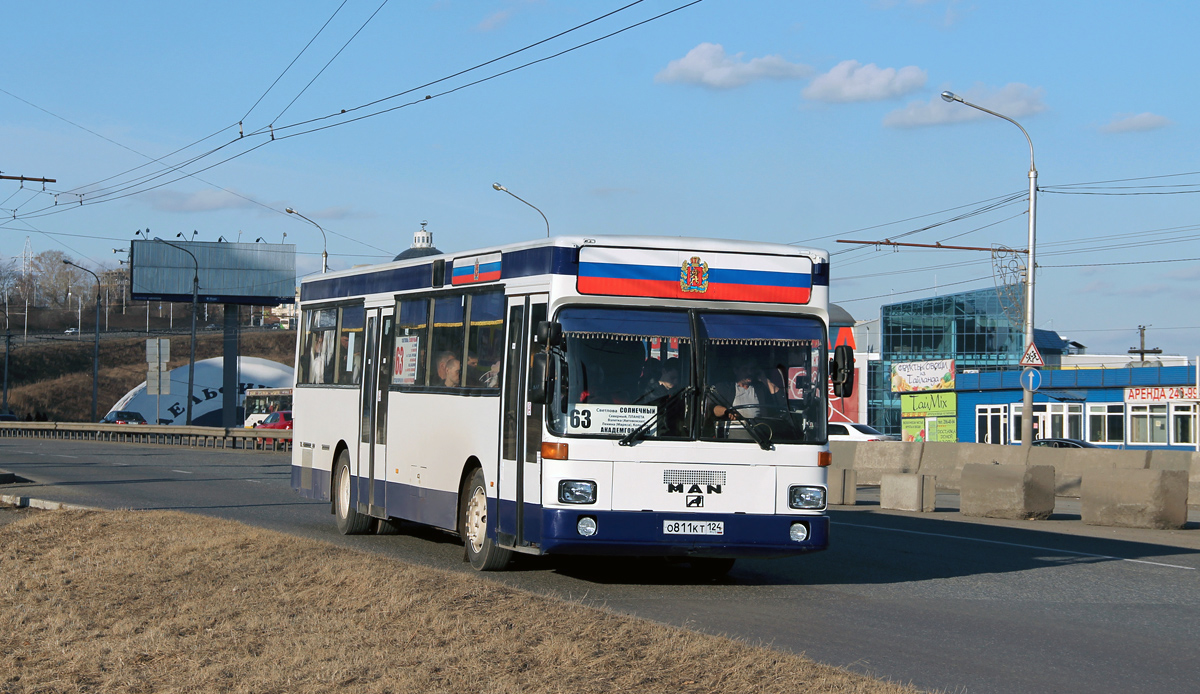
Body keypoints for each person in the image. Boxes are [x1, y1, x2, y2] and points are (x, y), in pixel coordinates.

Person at [709, 356, 782, 422]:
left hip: (759, 431)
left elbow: (780, 402)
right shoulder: (725, 388)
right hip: (734, 432)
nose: (749, 372)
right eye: (745, 369)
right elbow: (713, 408)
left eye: (752, 369)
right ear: (736, 370)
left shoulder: (761, 389)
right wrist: (728, 412)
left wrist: (764, 379)